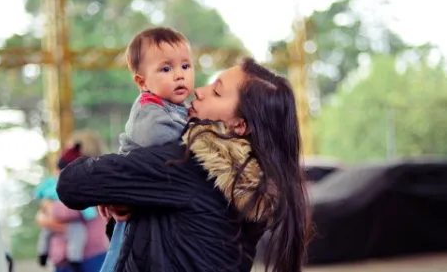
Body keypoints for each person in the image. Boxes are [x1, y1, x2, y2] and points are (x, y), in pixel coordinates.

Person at [57, 58, 311, 272]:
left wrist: (114, 189)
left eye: (217, 92)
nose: (199, 90)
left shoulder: (188, 163)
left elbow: (72, 183)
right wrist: (128, 199)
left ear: (240, 125)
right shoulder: (253, 185)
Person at [98, 27, 194, 272]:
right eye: (166, 69)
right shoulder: (148, 108)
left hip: (153, 199)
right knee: (122, 254)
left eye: (185, 66)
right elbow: (160, 138)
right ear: (142, 82)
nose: (179, 75)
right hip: (133, 193)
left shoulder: (177, 106)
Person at [36, 139, 109, 272]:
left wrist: (49, 209)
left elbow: (72, 209)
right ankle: (43, 253)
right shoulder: (57, 186)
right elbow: (43, 215)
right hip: (64, 257)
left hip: (90, 254)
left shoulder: (91, 186)